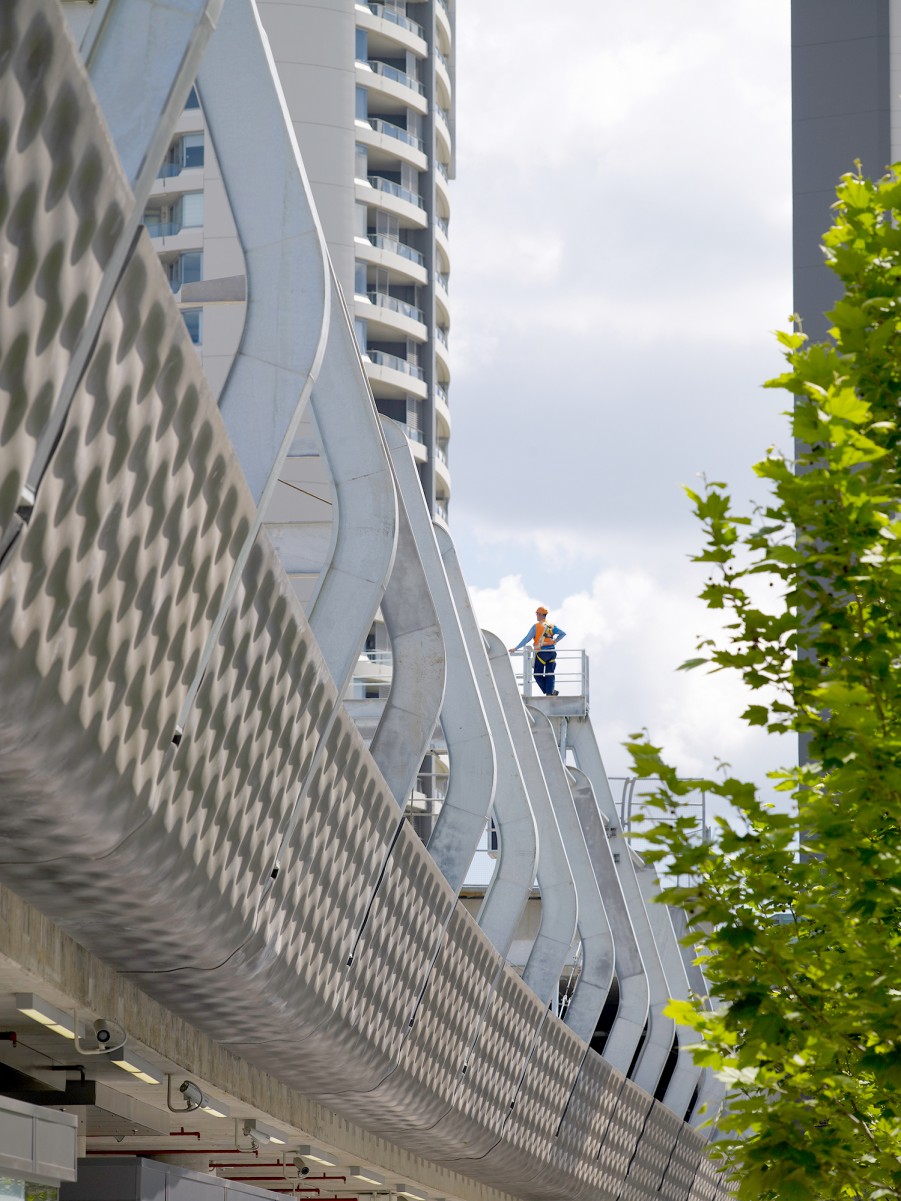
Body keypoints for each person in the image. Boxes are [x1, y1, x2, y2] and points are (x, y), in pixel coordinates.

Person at [509, 606, 566, 696]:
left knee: (537, 674)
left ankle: (549, 691)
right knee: (550, 673)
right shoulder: (552, 626)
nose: (536, 616)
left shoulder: (536, 626)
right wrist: (554, 641)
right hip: (551, 653)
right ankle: (550, 692)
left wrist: (516, 648)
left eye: (537, 614)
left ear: (540, 615)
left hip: (542, 653)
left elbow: (526, 639)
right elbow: (563, 634)